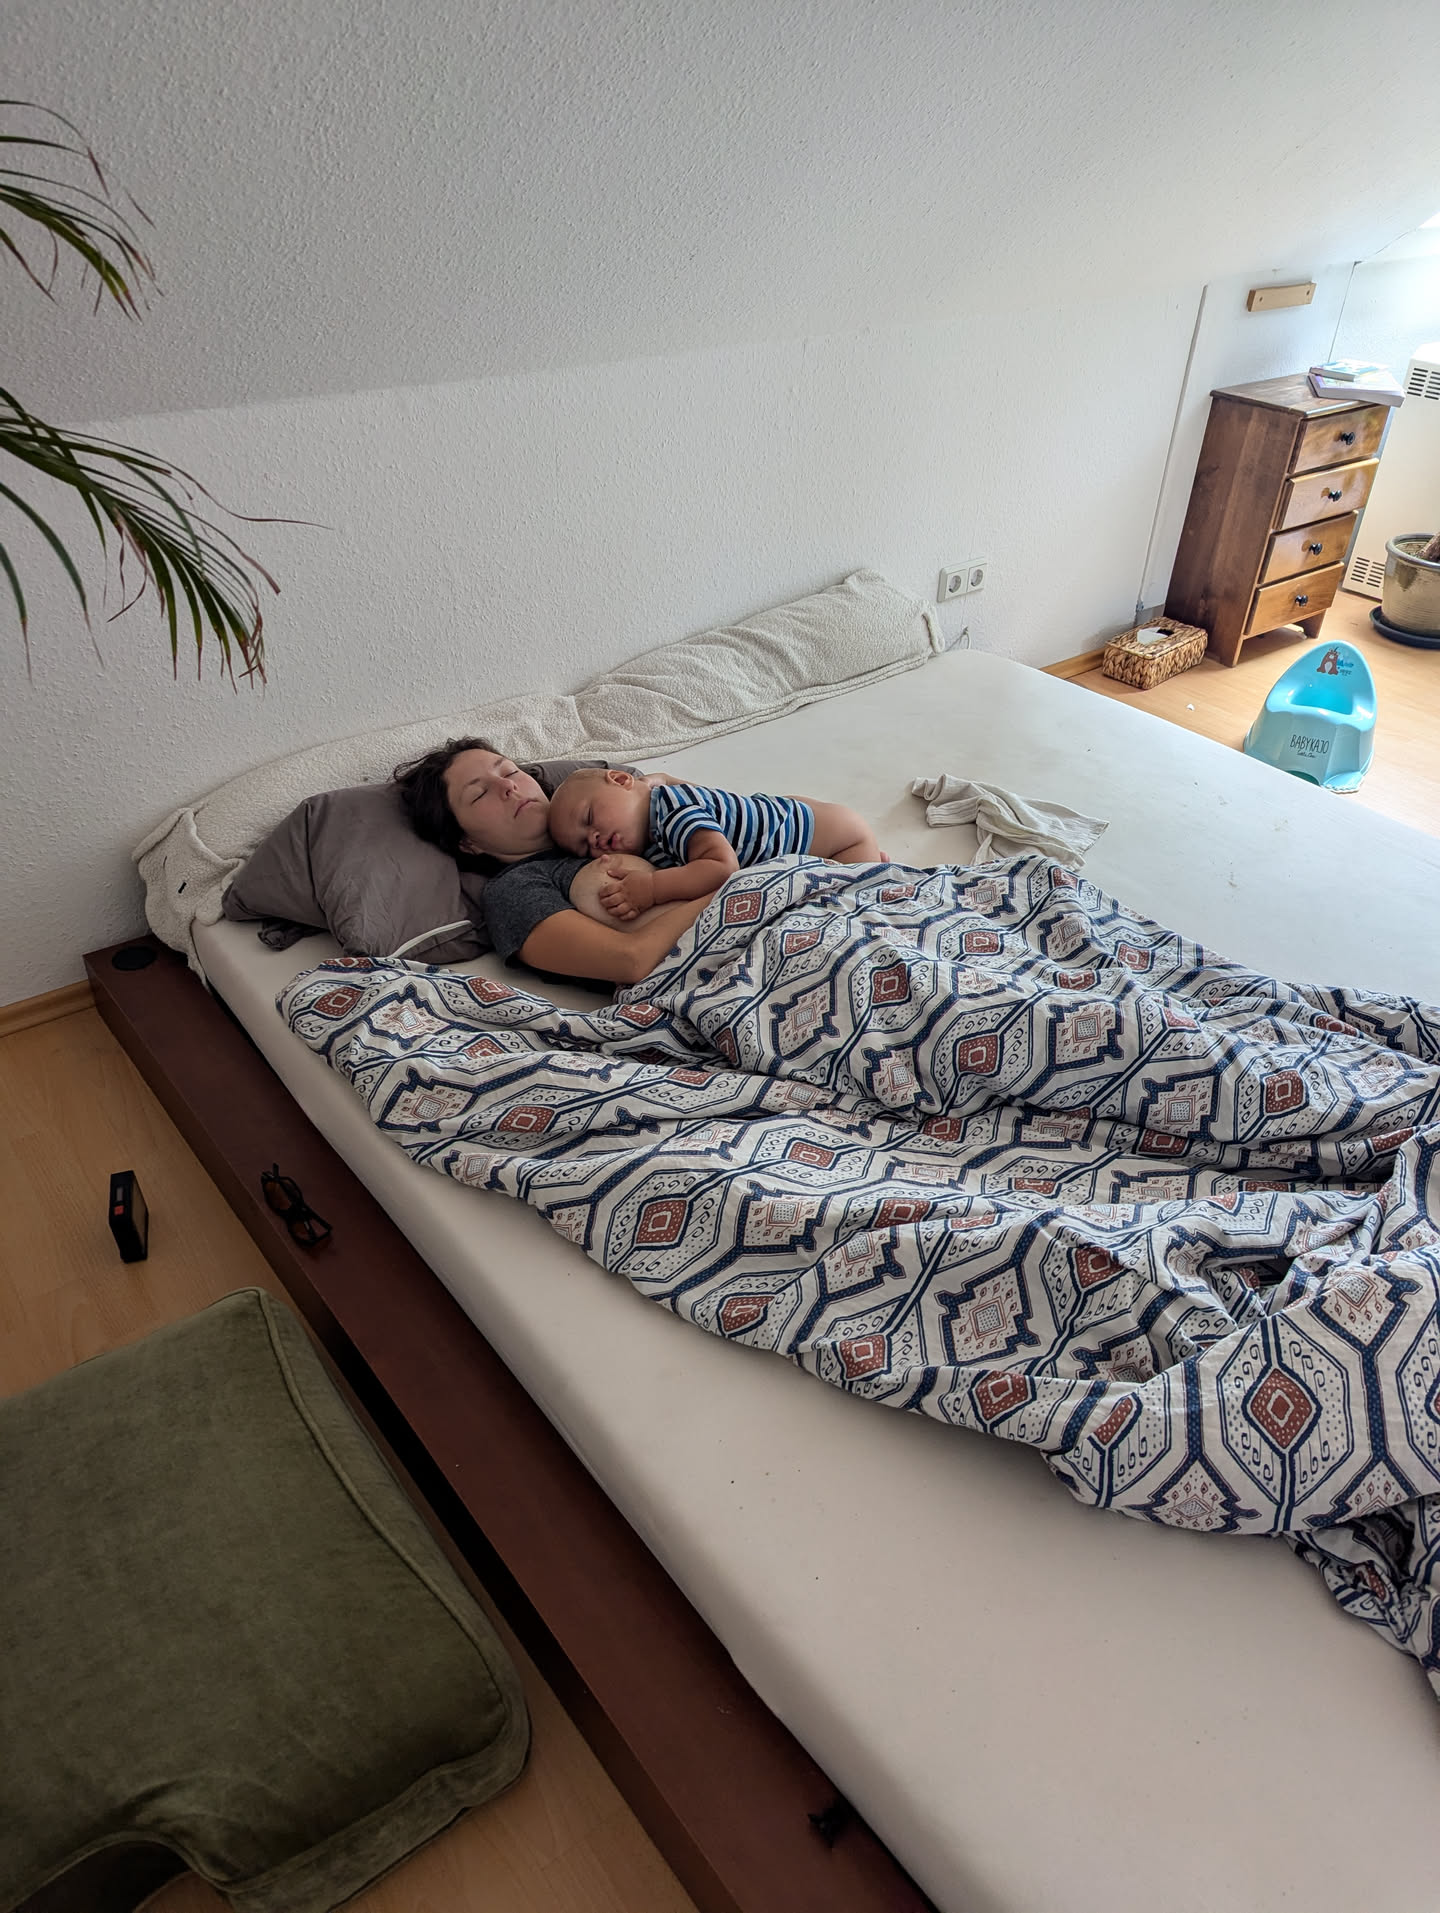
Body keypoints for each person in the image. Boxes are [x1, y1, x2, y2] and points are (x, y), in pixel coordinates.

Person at [392, 738, 711, 987]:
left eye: (510, 771)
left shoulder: (615, 811)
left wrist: (663, 783)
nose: (508, 786)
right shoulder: (514, 890)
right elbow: (631, 961)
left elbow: (728, 825)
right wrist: (729, 886)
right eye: (479, 794)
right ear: (467, 843)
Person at [546, 767, 881, 921]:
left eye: (589, 817)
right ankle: (875, 861)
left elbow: (722, 867)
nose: (594, 838)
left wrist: (651, 888)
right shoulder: (652, 825)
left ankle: (877, 865)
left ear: (621, 780)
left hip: (834, 840)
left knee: (854, 906)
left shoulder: (669, 813)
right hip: (800, 821)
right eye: (584, 847)